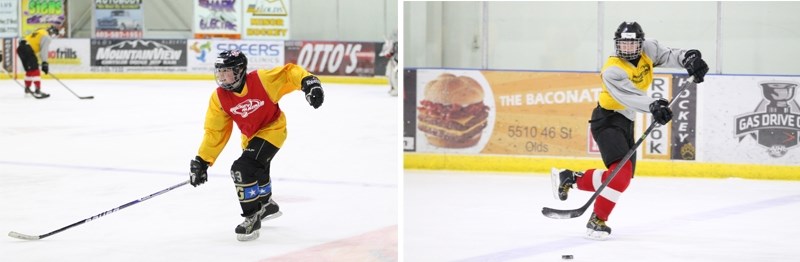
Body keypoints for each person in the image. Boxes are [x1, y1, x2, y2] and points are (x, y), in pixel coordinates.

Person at [551, 21, 708, 240]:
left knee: (622, 179)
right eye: (622, 43)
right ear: (616, 45)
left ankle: (572, 178)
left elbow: (670, 55)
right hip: (607, 119)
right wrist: (654, 105)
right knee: (620, 173)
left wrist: (690, 58)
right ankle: (597, 220)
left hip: (626, 121)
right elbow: (629, 96)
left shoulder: (649, 49)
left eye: (631, 43)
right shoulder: (612, 70)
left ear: (640, 43)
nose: (627, 48)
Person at [188, 50, 324, 241]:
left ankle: (252, 218)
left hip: (273, 129)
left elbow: (288, 73)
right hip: (250, 138)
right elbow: (215, 132)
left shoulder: (262, 80)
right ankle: (266, 205)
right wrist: (203, 160)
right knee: (257, 168)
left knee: (242, 169)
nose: (222, 77)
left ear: (240, 70)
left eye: (227, 72)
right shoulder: (219, 98)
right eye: (219, 72)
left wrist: (309, 82)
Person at [17, 24, 61, 98]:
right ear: (52, 32)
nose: (53, 36)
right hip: (28, 49)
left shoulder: (40, 30)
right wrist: (45, 63)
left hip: (20, 48)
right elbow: (44, 51)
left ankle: (27, 88)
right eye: (54, 34)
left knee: (30, 70)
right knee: (35, 69)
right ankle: (38, 90)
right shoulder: (47, 37)